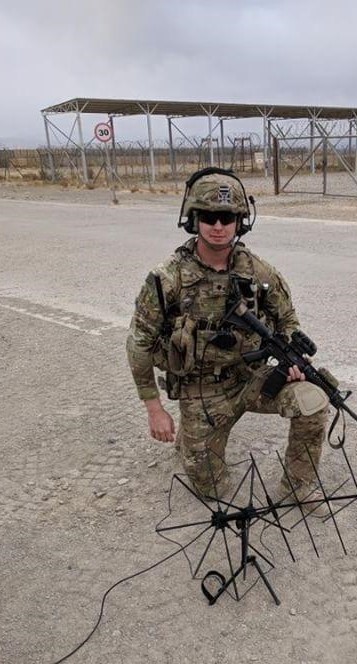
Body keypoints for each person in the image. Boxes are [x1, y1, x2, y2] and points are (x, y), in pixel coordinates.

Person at [126, 167, 329, 501]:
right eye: (209, 217)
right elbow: (139, 343)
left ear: (240, 221)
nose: (218, 226)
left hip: (251, 377)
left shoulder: (258, 271)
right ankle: (191, 436)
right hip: (201, 391)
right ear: (193, 219)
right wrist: (154, 408)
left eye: (227, 217)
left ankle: (299, 485)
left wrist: (292, 358)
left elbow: (287, 320)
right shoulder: (167, 278)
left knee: (313, 400)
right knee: (211, 490)